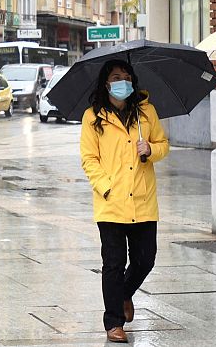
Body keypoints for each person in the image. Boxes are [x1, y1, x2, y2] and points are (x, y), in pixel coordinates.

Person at [80, 59, 169, 343]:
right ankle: (114, 323)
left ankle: (125, 293)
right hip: (111, 203)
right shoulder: (92, 117)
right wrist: (106, 188)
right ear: (106, 83)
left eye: (127, 77)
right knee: (114, 264)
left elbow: (163, 145)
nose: (123, 82)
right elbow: (89, 159)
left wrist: (150, 149)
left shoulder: (146, 112)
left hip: (143, 199)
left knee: (145, 259)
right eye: (117, 77)